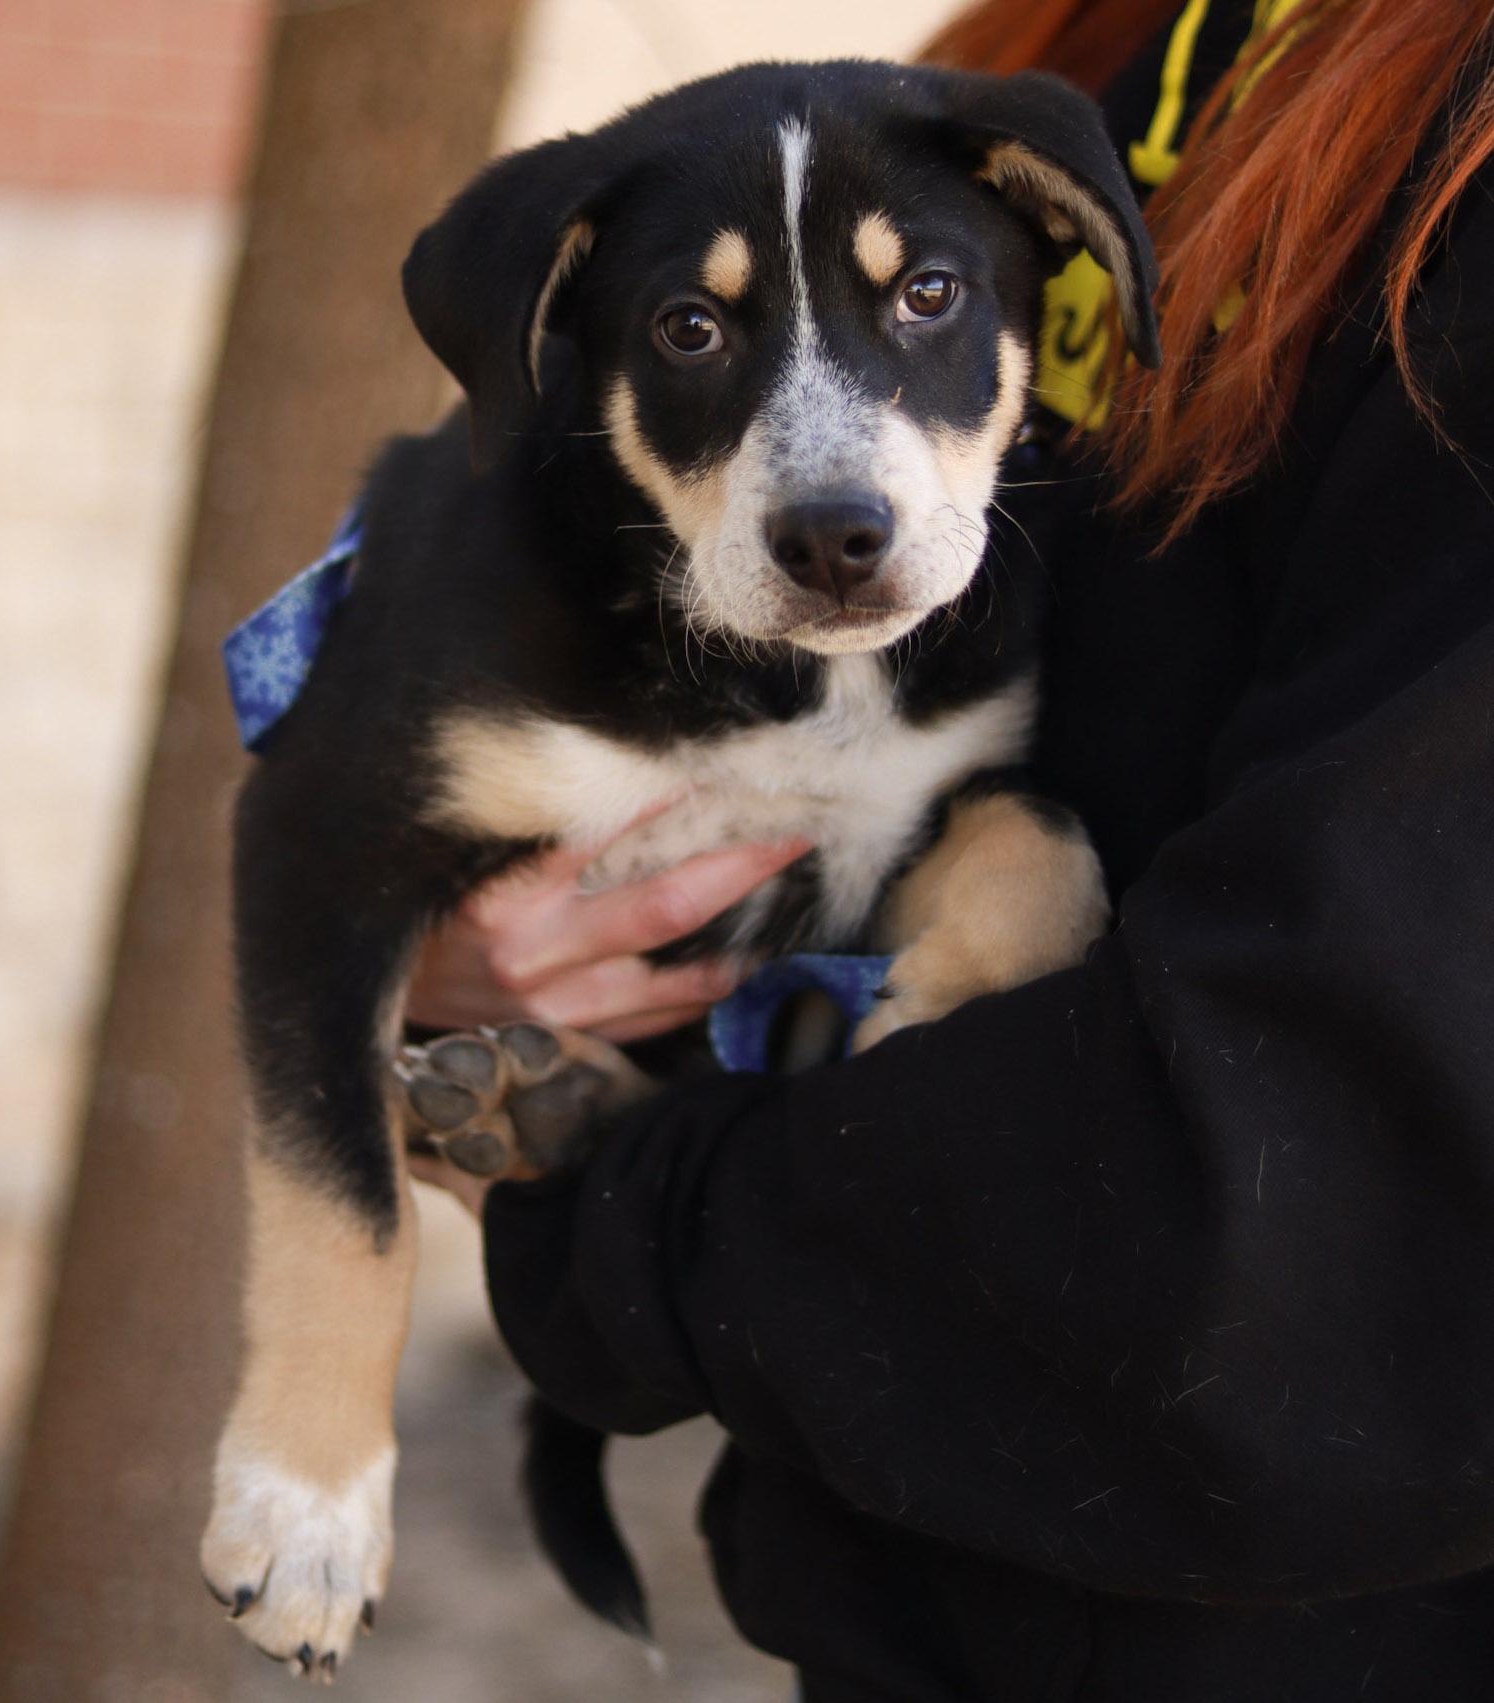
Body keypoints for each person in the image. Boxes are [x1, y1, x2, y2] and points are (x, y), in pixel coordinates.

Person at [406, 1, 1494, 1697]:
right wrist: (460, 917)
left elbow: (1335, 1212)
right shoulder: (1074, 56)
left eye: (921, 301)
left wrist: (622, 1212)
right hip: (911, 1590)